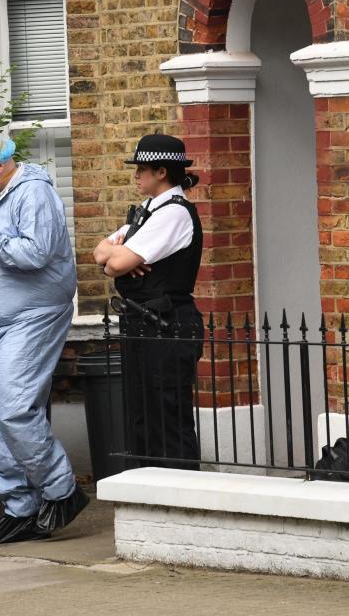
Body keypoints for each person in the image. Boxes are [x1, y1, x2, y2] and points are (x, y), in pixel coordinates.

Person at [0, 132, 89, 545]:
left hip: (32, 316)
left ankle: (61, 491)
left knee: (13, 407)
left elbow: (36, 253)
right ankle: (20, 506)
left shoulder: (34, 193)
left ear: (0, 164)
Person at [92, 134, 204, 470]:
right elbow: (102, 255)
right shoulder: (147, 213)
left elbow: (116, 265)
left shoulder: (174, 213)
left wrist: (123, 255)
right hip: (143, 323)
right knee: (142, 415)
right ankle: (151, 490)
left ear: (161, 171)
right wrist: (120, 254)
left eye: (141, 168)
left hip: (167, 323)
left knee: (167, 417)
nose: (136, 175)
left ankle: (182, 493)